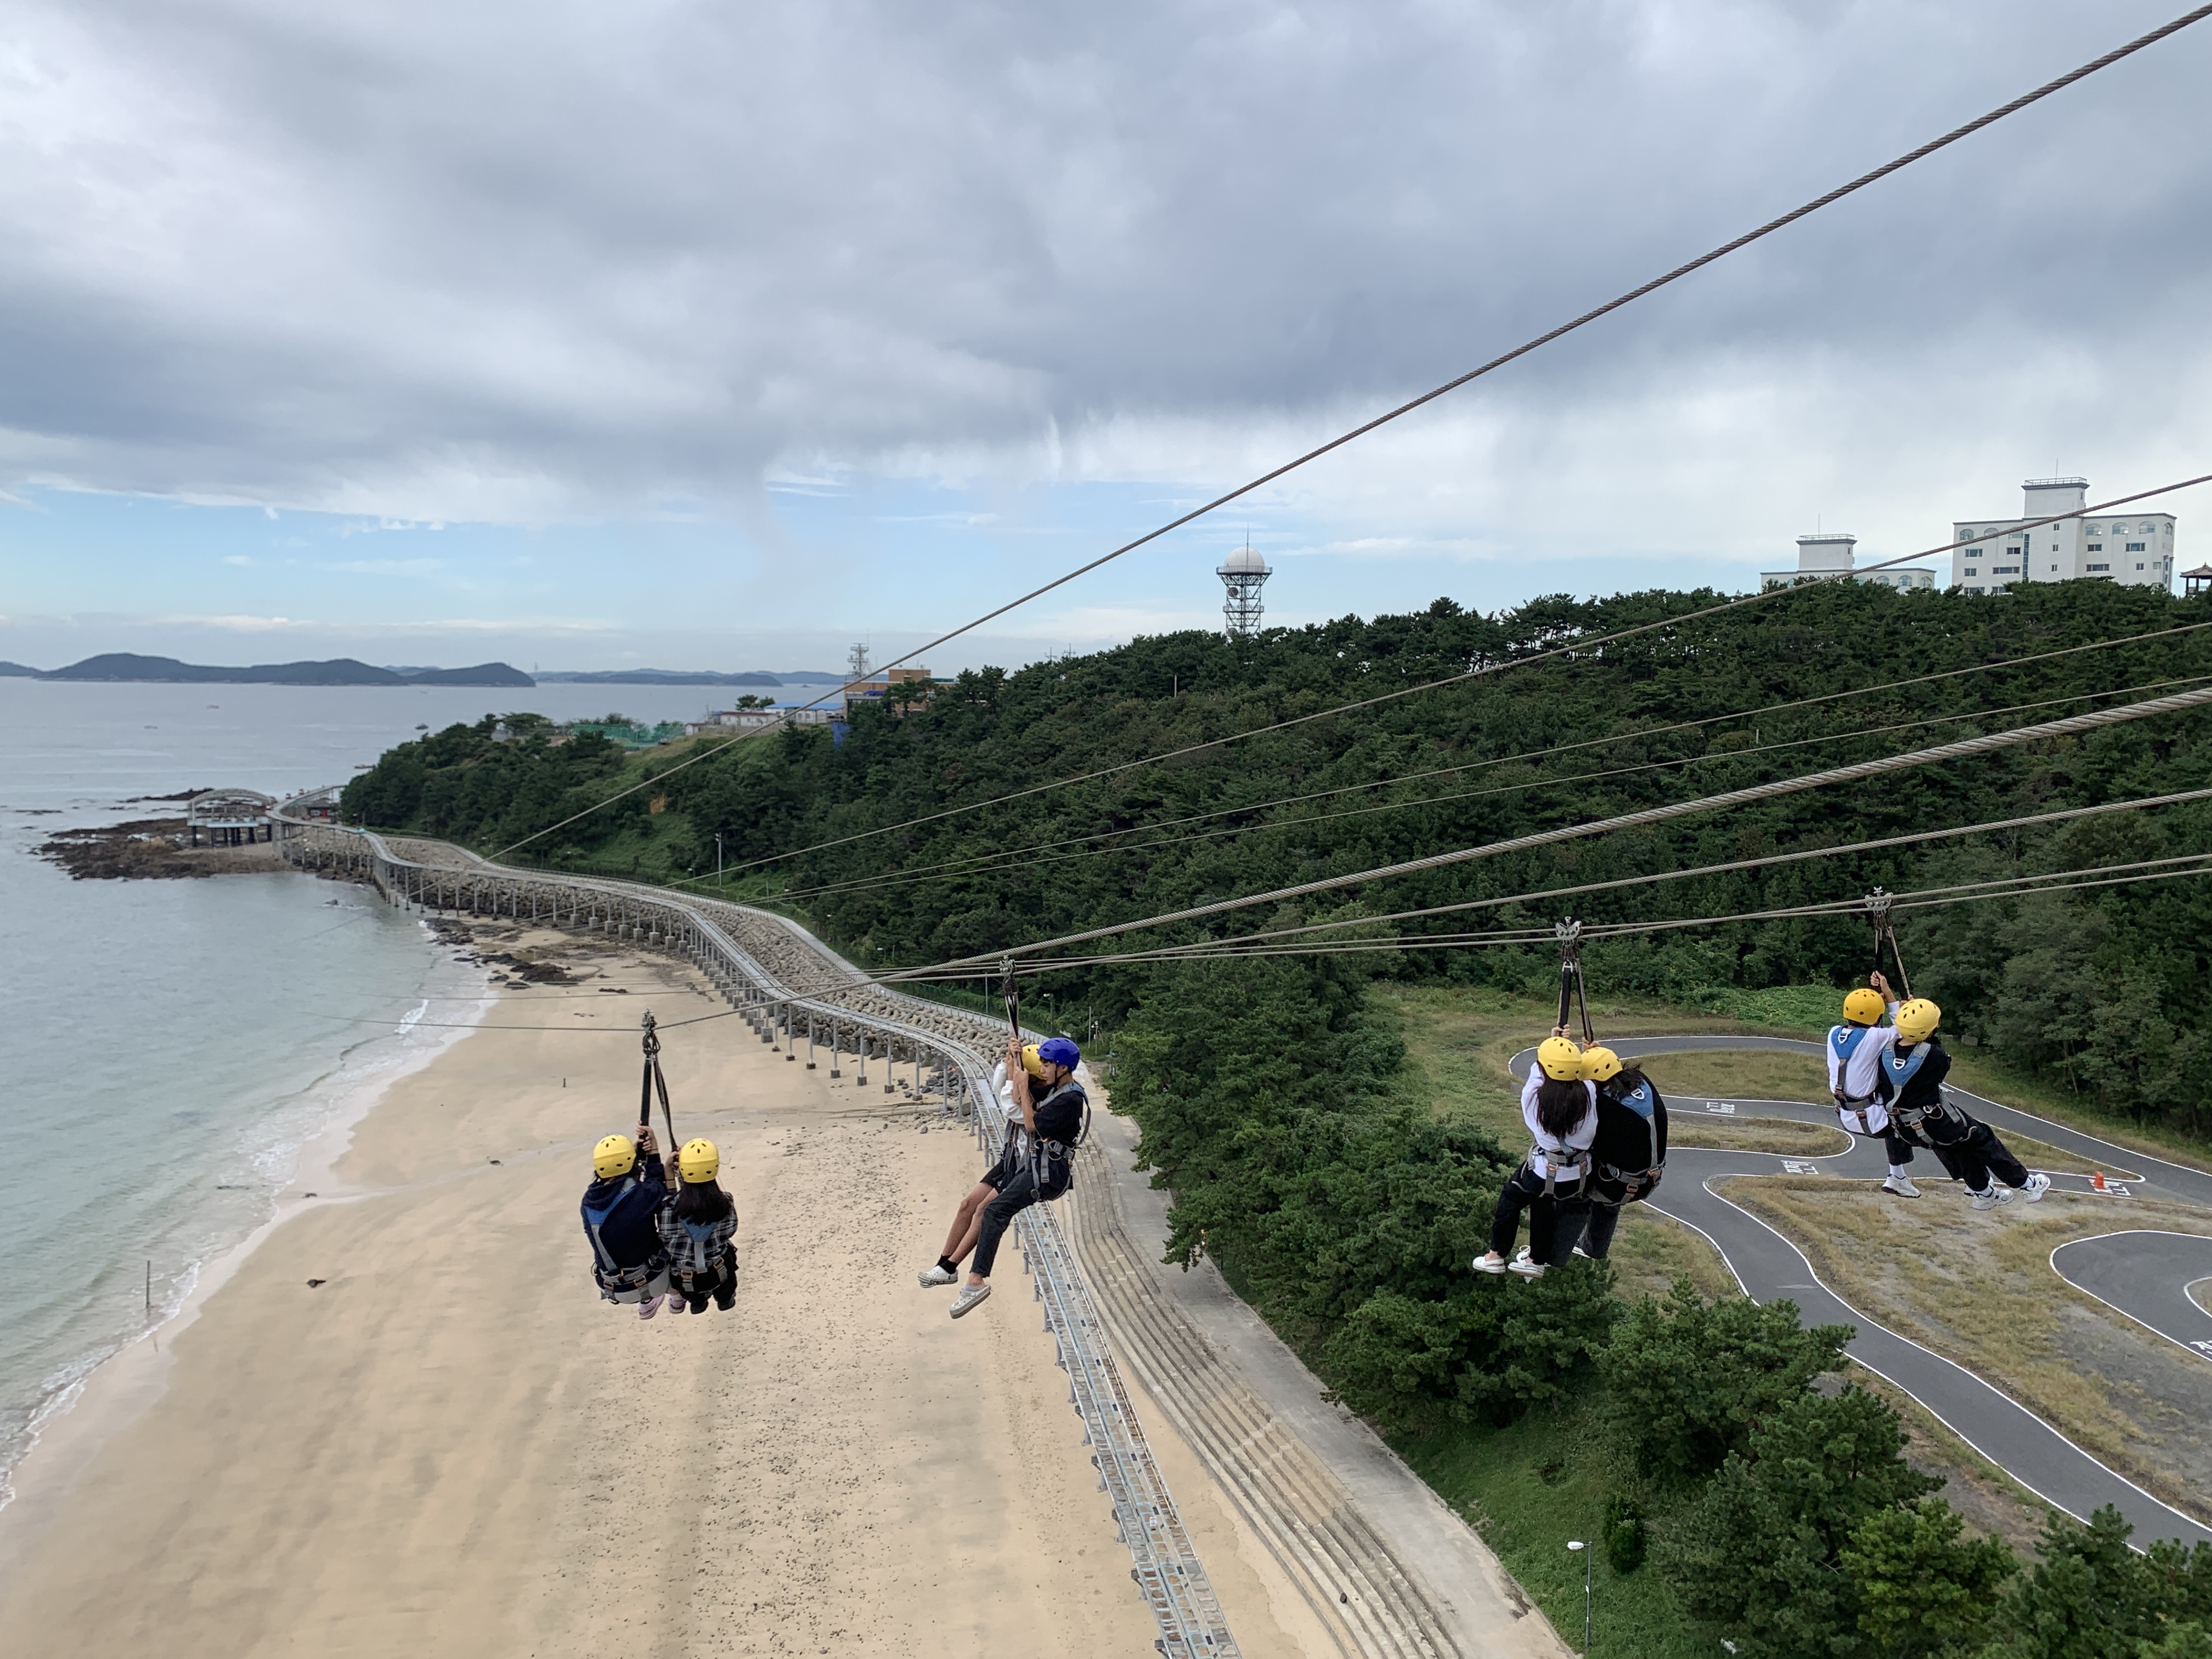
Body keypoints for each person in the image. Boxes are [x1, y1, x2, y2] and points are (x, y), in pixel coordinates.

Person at [934, 1036, 1088, 1319]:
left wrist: (1019, 1083)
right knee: (989, 1209)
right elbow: (1021, 1097)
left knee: (994, 1210)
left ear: (1063, 1068)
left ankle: (976, 1280)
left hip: (1048, 1172)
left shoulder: (1070, 1099)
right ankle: (961, 1273)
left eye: (1047, 1063)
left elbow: (1030, 1123)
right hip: (1036, 1166)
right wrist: (1015, 1062)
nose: (1042, 1068)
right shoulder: (1056, 1091)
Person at [1882, 996, 2049, 1211]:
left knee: (1958, 1149)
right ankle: (2027, 1185)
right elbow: (1936, 1052)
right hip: (1935, 1120)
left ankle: (1984, 1193)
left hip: (1903, 1127)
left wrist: (1914, 1019)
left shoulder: (1886, 1052)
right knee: (1982, 1138)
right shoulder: (1935, 1056)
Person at [918, 1043, 1046, 1289]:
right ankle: (943, 1263)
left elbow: (1010, 1108)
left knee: (984, 1210)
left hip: (1022, 1163)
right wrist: (1009, 1062)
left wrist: (1014, 1077)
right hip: (1010, 1157)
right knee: (968, 1204)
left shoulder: (1038, 1101)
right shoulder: (1022, 1089)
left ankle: (950, 1267)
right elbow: (998, 1088)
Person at [1474, 1033, 1597, 1280]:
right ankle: (1536, 1259)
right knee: (1542, 1199)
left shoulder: (1533, 1096)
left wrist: (1553, 1042)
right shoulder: (1590, 1092)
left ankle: (1496, 1255)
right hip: (1579, 1176)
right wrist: (1587, 1054)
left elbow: (1539, 1070)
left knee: (1511, 1197)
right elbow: (1586, 1074)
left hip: (1544, 1172)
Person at [1559, 1045, 1667, 1261]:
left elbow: (1576, 1137)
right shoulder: (1642, 1081)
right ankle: (1596, 1247)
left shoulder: (1602, 1106)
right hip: (1650, 1179)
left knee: (1568, 1174)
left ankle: (1559, 1241)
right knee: (1617, 1160)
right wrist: (1593, 1057)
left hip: (1618, 1186)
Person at [1827, 972, 1926, 1197]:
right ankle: (1898, 1177)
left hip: (1844, 1113)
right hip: (1869, 1118)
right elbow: (1904, 1028)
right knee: (1902, 1121)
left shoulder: (1833, 1033)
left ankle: (1899, 1176)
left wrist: (1881, 997)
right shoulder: (1875, 1037)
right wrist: (1892, 997)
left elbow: (1865, 1016)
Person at [581, 1127, 674, 1319]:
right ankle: (678, 1295)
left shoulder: (588, 1202)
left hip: (612, 1288)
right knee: (677, 1236)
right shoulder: (642, 1196)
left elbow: (625, 1194)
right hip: (652, 1280)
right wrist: (653, 1151)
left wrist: (631, 1154)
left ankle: (647, 1304)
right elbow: (657, 1184)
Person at [659, 1137, 739, 1315]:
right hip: (720, 1270)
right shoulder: (725, 1202)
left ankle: (698, 1304)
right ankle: (725, 1300)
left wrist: (670, 1173)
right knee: (727, 1275)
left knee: (692, 1293)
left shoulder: (670, 1208)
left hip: (686, 1277)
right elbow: (731, 1230)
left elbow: (666, 1238)